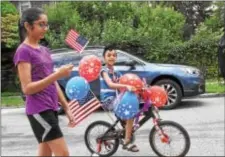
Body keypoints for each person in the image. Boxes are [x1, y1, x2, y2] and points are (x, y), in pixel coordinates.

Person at [13, 7, 76, 156]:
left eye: (46, 24)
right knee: (63, 154)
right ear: (28, 26)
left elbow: (52, 82)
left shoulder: (44, 50)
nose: (45, 28)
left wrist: (66, 107)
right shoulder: (23, 51)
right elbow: (27, 88)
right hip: (39, 110)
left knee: (45, 155)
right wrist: (57, 75)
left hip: (50, 107)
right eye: (41, 24)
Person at [100, 45, 139, 152]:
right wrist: (126, 86)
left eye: (114, 55)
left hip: (117, 98)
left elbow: (126, 80)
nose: (112, 57)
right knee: (130, 113)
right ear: (104, 58)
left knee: (131, 109)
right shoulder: (104, 71)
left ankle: (126, 133)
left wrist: (140, 87)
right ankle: (126, 142)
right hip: (108, 101)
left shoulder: (116, 72)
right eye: (109, 55)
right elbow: (111, 84)